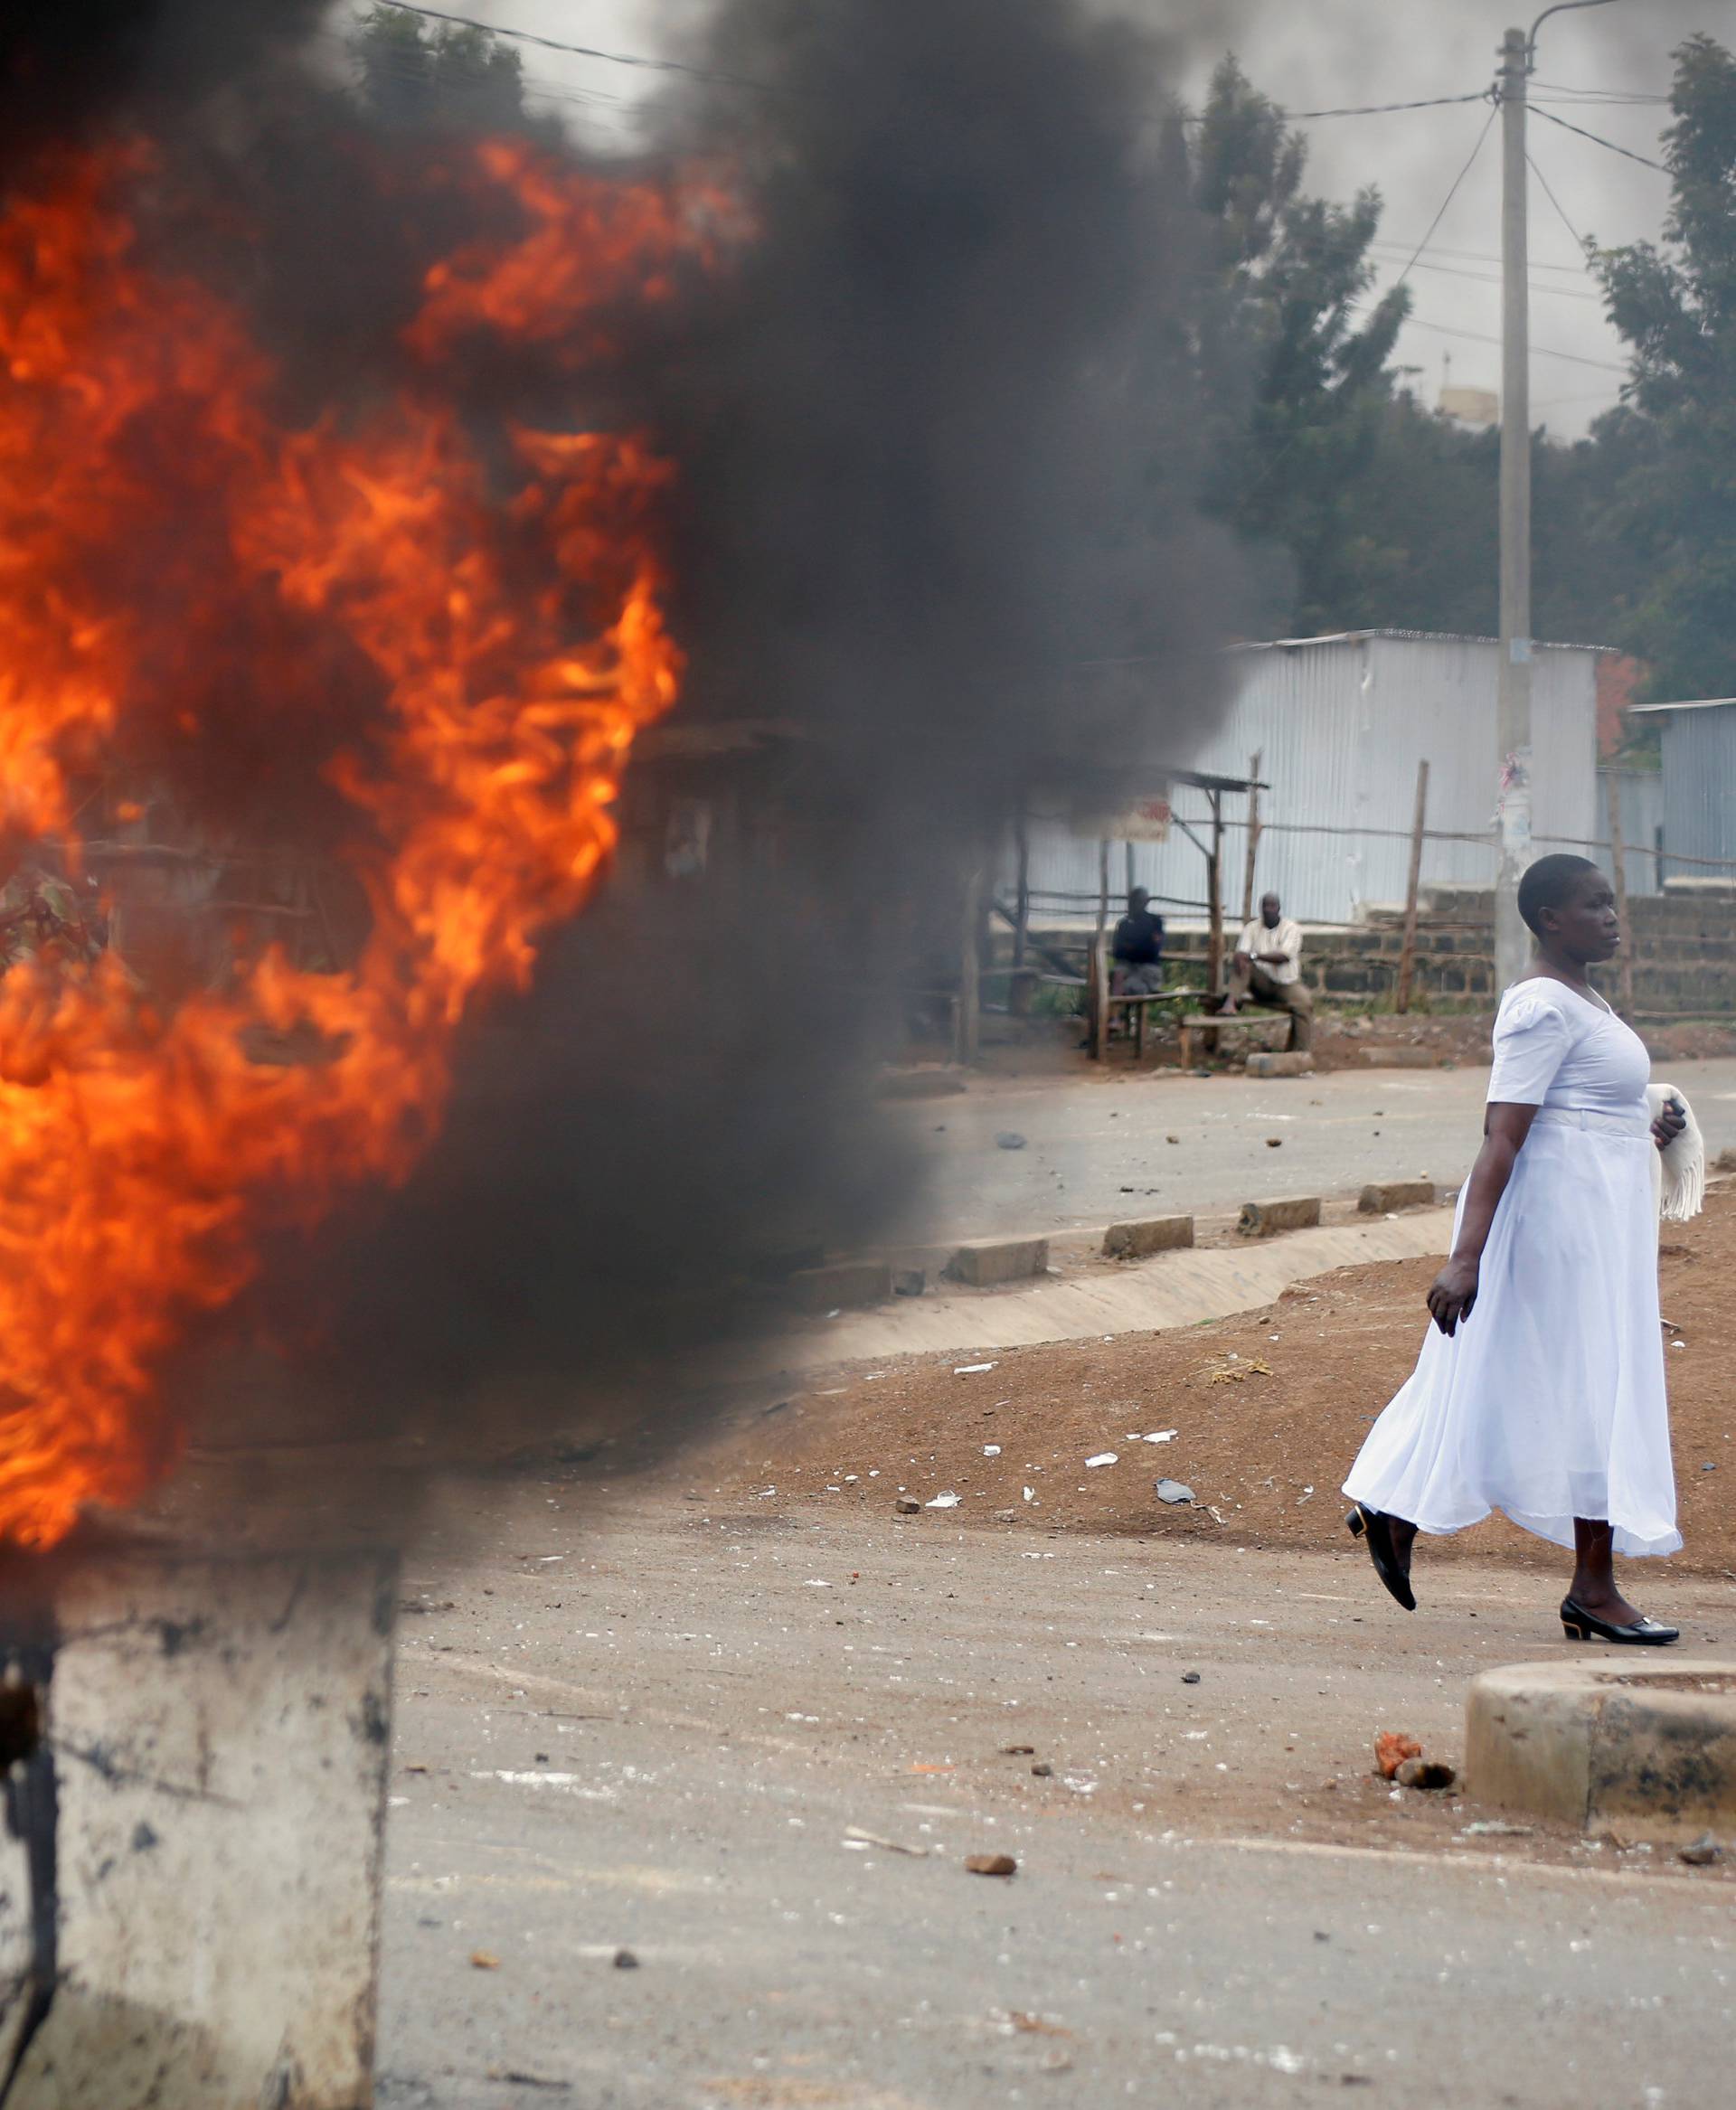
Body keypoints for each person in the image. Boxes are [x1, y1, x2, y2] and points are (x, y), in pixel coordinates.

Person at [1342, 853, 1686, 1645]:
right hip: (1557, 1224)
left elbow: (1584, 1112)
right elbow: (1502, 1133)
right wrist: (1465, 1257)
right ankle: (1592, 1590)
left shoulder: (1585, 999)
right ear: (1549, 920)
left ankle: (1398, 1506)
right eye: (1595, 905)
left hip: (1596, 1220)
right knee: (1587, 1385)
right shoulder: (1539, 1004)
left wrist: (1646, 1125)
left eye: (1613, 904)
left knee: (1525, 1376)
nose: (1612, 917)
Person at [1221, 890, 1312, 1052]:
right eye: (1265, 906)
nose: (1268, 909)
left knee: (1305, 1003)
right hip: (1260, 983)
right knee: (1244, 963)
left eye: (1272, 905)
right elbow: (1242, 953)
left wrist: (1253, 955)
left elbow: (1283, 957)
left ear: (1278, 908)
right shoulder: (1252, 928)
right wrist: (1240, 957)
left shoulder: (1291, 928)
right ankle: (1231, 1002)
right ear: (1260, 908)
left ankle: (1298, 1053)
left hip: (1285, 984)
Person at [1111, 886, 1165, 997]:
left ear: (1146, 902)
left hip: (1148, 969)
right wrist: (1139, 946)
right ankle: (1114, 1013)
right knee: (1116, 975)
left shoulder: (1155, 922)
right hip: (1127, 966)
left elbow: (1153, 951)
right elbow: (1117, 952)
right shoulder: (1124, 924)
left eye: (1138, 901)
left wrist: (1130, 947)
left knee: (1132, 986)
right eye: (1132, 901)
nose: (1134, 904)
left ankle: (1120, 1011)